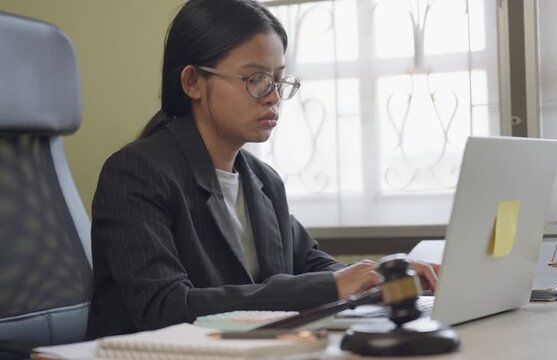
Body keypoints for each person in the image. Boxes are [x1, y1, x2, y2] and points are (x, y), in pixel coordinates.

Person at [86, 0, 438, 339]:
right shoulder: (136, 173)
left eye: (278, 80)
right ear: (193, 81)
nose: (273, 97)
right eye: (256, 80)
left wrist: (381, 274)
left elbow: (311, 264)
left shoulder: (263, 181)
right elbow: (166, 307)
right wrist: (332, 285)